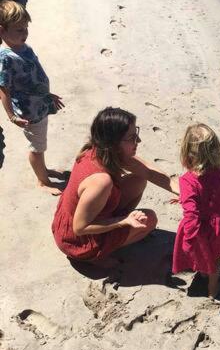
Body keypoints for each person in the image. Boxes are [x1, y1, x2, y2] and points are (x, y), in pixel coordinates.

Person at [52, 107, 179, 266]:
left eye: (136, 133)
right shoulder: (101, 182)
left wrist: (185, 192)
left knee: (139, 179)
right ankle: (100, 252)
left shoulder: (99, 149)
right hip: (76, 241)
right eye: (132, 137)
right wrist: (123, 220)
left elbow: (149, 172)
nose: (138, 141)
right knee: (150, 220)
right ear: (113, 143)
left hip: (75, 218)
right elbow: (80, 227)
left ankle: (116, 229)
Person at [172, 123, 220, 298]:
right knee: (214, 257)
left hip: (201, 228)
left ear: (186, 154)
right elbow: (209, 194)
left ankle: (208, 282)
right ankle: (212, 286)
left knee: (204, 257)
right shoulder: (219, 172)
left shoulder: (187, 181)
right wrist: (184, 197)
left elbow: (192, 214)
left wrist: (189, 239)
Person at [0, 0, 65, 195]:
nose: (25, 33)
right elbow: (3, 89)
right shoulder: (5, 57)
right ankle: (42, 181)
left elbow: (34, 74)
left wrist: (47, 94)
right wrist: (11, 116)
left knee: (40, 143)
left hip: (40, 104)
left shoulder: (23, 47)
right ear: (2, 31)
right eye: (19, 30)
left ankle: (43, 170)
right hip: (29, 111)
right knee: (37, 148)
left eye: (26, 28)